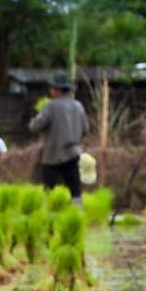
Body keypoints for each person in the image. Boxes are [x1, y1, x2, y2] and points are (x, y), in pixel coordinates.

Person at [29, 73, 89, 205]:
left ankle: (48, 216)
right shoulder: (78, 106)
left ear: (57, 90)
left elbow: (36, 125)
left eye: (52, 88)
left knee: (49, 189)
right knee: (75, 190)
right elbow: (85, 129)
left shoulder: (50, 106)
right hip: (73, 153)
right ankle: (77, 215)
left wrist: (34, 121)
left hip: (53, 155)